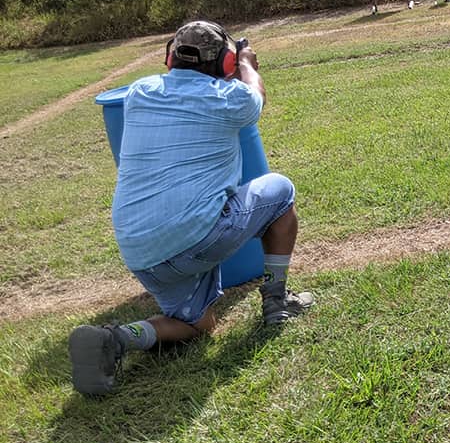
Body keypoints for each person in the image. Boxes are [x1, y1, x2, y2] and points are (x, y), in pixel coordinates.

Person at [69, 21, 315, 396]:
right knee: (280, 191)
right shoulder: (229, 98)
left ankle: (116, 339)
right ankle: (277, 301)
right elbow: (255, 97)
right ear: (226, 63)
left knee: (199, 325)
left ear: (170, 56)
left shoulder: (139, 92)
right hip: (196, 240)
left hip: (142, 254)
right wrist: (248, 63)